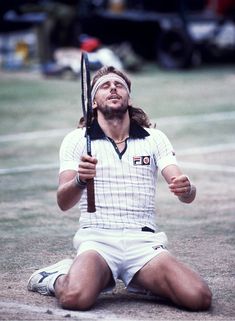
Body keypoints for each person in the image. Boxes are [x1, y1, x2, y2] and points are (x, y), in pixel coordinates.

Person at [27, 66, 212, 311]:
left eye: (119, 85)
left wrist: (187, 189)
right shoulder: (76, 140)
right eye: (105, 85)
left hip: (143, 242)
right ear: (93, 102)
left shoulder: (154, 138)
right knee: (75, 298)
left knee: (199, 298)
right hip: (98, 240)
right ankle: (55, 276)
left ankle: (139, 278)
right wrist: (80, 181)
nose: (113, 88)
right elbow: (63, 202)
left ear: (129, 98)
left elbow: (186, 192)